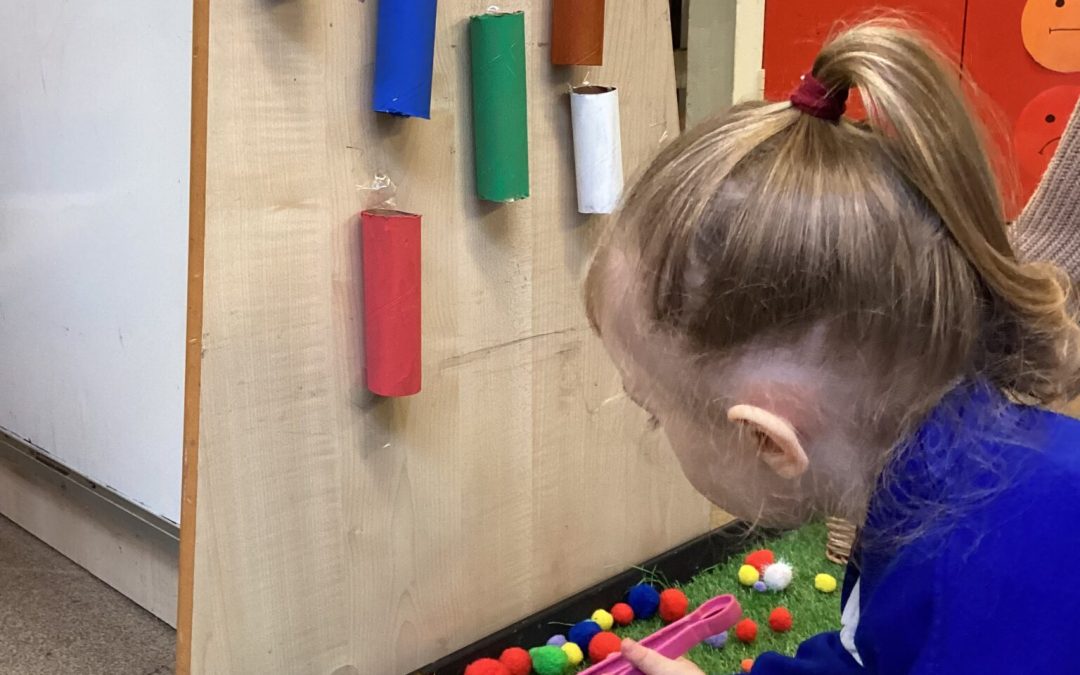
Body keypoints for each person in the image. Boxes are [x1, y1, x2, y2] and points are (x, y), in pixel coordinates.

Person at [585, 19, 1080, 674]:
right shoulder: (932, 487)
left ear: (767, 440)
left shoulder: (987, 588)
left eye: (654, 411)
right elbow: (873, 655)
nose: (654, 427)